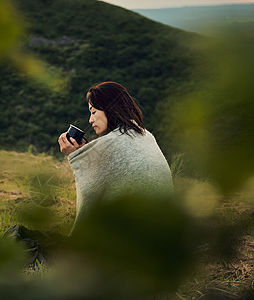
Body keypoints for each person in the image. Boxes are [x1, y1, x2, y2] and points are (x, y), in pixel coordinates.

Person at [58, 82, 173, 234]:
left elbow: (90, 201)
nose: (90, 120)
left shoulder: (109, 145)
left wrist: (75, 155)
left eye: (93, 112)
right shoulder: (145, 135)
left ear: (109, 109)